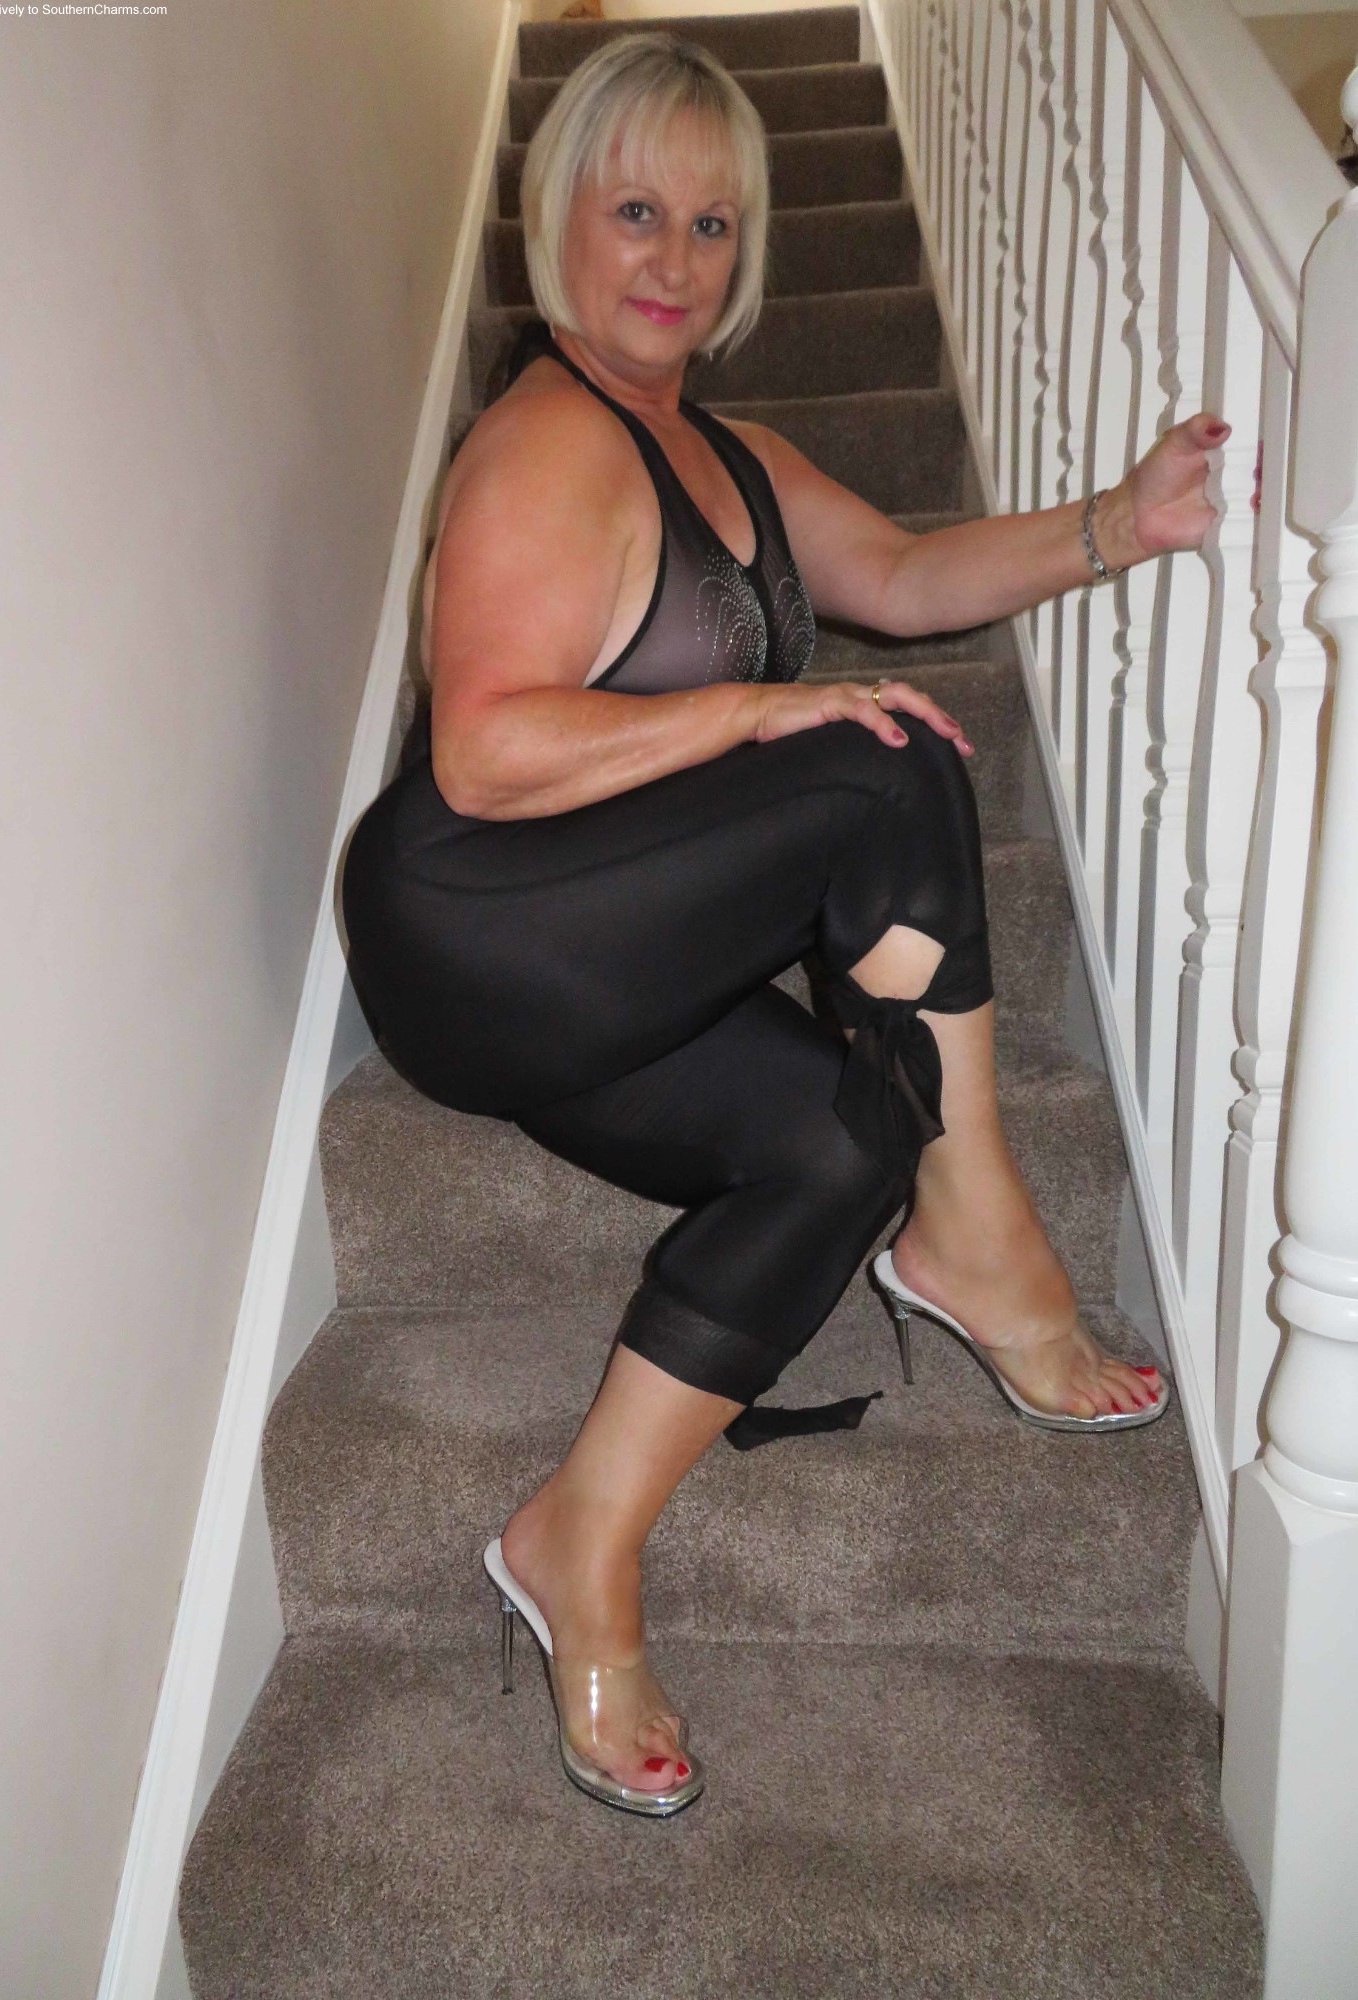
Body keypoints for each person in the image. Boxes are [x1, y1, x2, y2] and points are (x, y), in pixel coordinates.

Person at [341, 33, 1225, 1818]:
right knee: (877, 766)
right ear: (557, 220)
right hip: (476, 933)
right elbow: (485, 751)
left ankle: (579, 1536)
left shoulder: (729, 450)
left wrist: (1119, 527)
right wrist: (756, 711)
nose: (675, 259)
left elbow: (900, 575)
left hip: (611, 972)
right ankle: (979, 1232)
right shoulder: (543, 441)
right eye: (637, 213)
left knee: (846, 1132)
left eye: (714, 224)